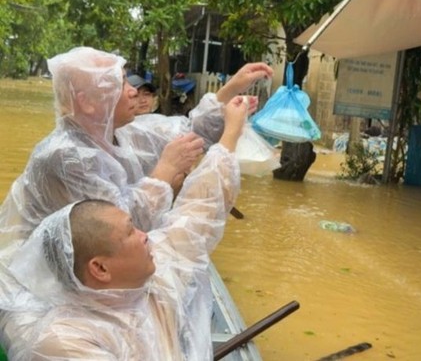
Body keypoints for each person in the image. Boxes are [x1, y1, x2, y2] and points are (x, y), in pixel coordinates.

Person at [0, 95, 250, 360]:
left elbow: (198, 211)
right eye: (131, 231)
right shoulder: (63, 342)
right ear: (100, 268)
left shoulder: (150, 284)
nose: (147, 236)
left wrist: (230, 135)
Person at [0, 46, 272, 261]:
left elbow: (190, 131)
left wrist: (231, 88)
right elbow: (117, 234)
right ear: (86, 102)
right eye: (120, 84)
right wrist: (165, 172)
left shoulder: (125, 132)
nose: (133, 92)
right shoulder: (66, 157)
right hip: (47, 280)